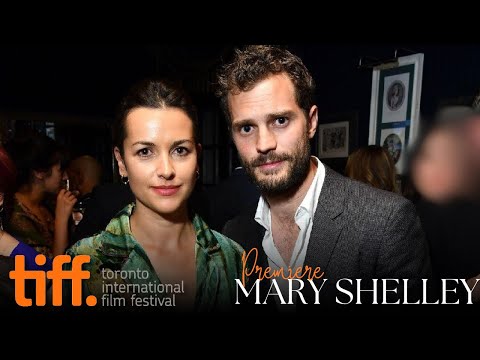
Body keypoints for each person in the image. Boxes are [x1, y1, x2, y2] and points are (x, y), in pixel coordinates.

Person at [215, 45, 431, 311]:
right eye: (246, 128)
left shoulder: (386, 223)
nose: (264, 144)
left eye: (280, 121)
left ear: (311, 122)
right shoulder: (234, 234)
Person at [64, 79, 245, 312]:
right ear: (121, 162)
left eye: (180, 150)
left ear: (197, 157)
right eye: (145, 152)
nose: (166, 170)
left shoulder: (233, 260)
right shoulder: (84, 263)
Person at [5, 132, 77, 258]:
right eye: (60, 170)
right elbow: (50, 271)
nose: (65, 177)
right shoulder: (14, 215)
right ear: (39, 173)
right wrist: (61, 219)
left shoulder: (46, 205)